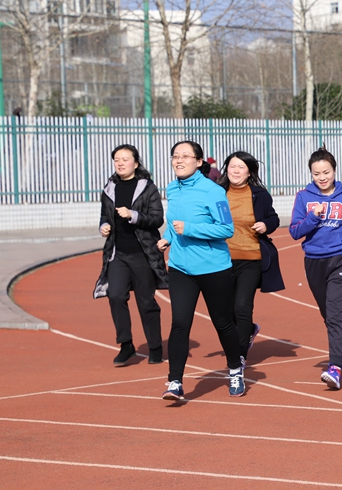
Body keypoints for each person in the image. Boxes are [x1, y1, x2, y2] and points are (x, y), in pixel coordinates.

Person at [157, 140, 244, 400]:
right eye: (175, 156)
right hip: (180, 268)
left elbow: (226, 229)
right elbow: (174, 223)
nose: (179, 160)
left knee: (223, 322)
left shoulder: (212, 191)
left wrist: (190, 229)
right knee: (180, 323)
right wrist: (167, 238)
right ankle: (175, 381)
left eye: (185, 156)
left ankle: (235, 369)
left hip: (213, 268)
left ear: (198, 162)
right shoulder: (172, 188)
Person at [289, 148, 342, 390]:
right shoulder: (304, 197)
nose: (322, 177)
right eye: (316, 174)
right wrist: (313, 217)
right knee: (328, 316)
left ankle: (334, 367)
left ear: (334, 171)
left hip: (341, 260)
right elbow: (295, 231)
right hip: (314, 262)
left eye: (326, 172)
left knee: (335, 316)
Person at [94, 144, 167, 365]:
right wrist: (104, 226)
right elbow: (104, 215)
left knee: (146, 302)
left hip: (142, 253)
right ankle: (126, 345)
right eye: (117, 159)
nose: (120, 163)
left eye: (125, 159)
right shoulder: (109, 188)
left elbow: (157, 218)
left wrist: (133, 215)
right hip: (118, 254)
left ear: (135, 163)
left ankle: (155, 346)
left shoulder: (147, 188)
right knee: (116, 296)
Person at [217, 151, 285, 365]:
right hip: (221, 260)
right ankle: (248, 331)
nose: (236, 171)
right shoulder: (217, 193)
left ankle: (239, 355)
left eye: (241, 167)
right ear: (226, 169)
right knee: (225, 310)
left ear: (249, 172)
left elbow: (273, 218)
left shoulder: (260, 195)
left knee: (242, 306)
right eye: (232, 166)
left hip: (251, 258)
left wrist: (266, 224)